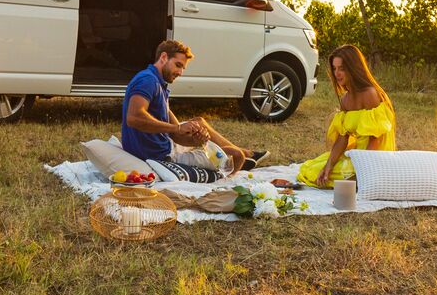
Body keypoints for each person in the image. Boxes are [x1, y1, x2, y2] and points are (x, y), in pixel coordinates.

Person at [122, 39, 268, 179]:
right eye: (178, 65)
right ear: (164, 57)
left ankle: (245, 153)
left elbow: (176, 134)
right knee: (235, 156)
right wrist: (177, 128)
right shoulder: (147, 80)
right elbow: (134, 118)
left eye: (183, 68)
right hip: (162, 156)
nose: (180, 72)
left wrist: (197, 139)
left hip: (165, 145)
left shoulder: (158, 83)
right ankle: (243, 154)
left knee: (199, 122)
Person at [297, 44, 396, 188]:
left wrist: (362, 173)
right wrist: (329, 166)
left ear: (354, 68)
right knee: (312, 170)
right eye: (335, 68)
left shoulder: (370, 94)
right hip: (356, 154)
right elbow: (342, 138)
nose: (337, 73)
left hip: (373, 157)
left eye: (342, 68)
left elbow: (376, 140)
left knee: (341, 179)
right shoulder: (345, 100)